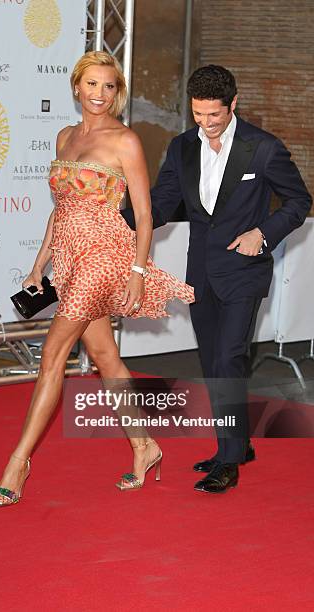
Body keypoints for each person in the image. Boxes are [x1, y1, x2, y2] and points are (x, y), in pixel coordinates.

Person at [0, 51, 194, 506]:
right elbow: (61, 209)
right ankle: (145, 446)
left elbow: (144, 215)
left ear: (116, 92)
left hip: (105, 257)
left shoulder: (126, 141)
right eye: (92, 85)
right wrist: (40, 262)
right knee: (106, 359)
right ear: (77, 88)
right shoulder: (64, 136)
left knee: (52, 353)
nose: (100, 94)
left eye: (108, 86)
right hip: (69, 257)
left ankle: (17, 462)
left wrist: (138, 272)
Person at [122, 64, 312, 493]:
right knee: (212, 363)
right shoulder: (183, 147)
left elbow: (299, 201)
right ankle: (239, 443)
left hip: (244, 272)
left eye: (214, 115)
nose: (205, 124)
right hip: (200, 275)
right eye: (198, 114)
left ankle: (227, 462)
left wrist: (262, 234)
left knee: (227, 359)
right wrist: (117, 220)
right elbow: (165, 202)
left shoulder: (262, 148)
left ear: (234, 104)